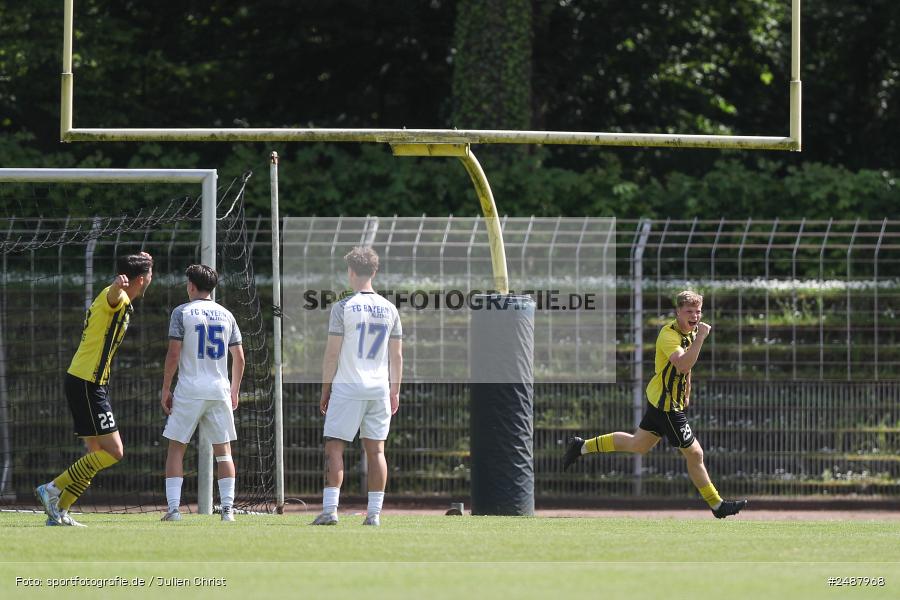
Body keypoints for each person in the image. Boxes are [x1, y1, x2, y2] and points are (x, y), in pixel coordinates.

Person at [563, 290, 747, 519]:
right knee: (695, 453)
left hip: (663, 400)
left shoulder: (690, 332)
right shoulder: (669, 335)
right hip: (667, 406)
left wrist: (687, 391)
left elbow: (686, 369)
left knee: (638, 444)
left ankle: (581, 446)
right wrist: (701, 338)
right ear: (678, 312)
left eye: (698, 311)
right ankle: (717, 505)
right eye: (689, 311)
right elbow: (682, 364)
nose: (695, 316)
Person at [34, 252, 154, 527]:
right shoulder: (117, 297)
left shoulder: (125, 297)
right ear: (139, 279)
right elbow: (113, 296)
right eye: (149, 274)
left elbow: (119, 291)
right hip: (88, 383)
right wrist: (116, 286)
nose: (151, 278)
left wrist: (147, 263)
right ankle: (51, 489)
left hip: (84, 380)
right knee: (115, 452)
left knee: (95, 454)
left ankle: (59, 512)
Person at [311, 246, 402, 527]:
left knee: (334, 447)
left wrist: (325, 389)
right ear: (375, 271)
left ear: (350, 271)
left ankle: (330, 511)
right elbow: (397, 356)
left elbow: (332, 354)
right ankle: (374, 515)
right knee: (376, 451)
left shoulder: (343, 307)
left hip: (348, 387)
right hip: (379, 388)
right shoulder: (390, 309)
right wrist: (395, 390)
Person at [159, 264, 244, 522]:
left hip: (190, 390)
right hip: (219, 390)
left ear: (191, 286)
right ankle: (227, 510)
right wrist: (234, 390)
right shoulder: (227, 315)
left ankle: (174, 510)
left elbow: (174, 354)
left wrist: (166, 387)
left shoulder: (182, 312)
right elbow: (240, 358)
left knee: (176, 449)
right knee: (224, 452)